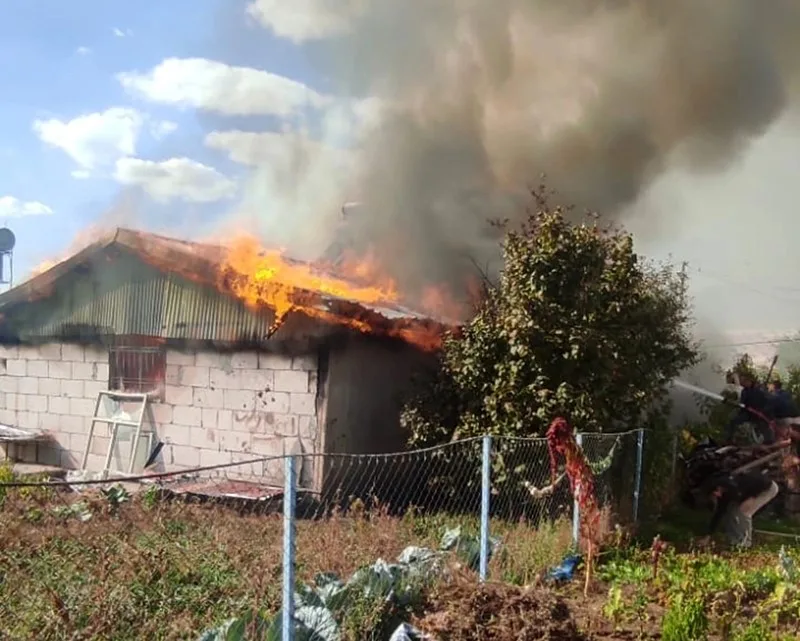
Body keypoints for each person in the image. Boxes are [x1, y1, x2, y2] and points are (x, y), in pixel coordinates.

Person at [704, 471, 779, 548]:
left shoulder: (734, 485)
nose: (717, 495)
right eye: (714, 494)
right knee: (731, 511)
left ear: (719, 486)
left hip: (766, 488)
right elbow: (719, 513)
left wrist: (753, 496)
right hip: (750, 491)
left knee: (744, 511)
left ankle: (745, 544)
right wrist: (708, 536)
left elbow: (758, 483)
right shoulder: (724, 494)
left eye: (716, 491)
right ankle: (734, 540)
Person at [726, 373, 775, 444]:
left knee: (764, 428)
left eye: (746, 381)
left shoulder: (759, 392)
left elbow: (768, 403)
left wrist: (763, 412)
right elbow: (742, 404)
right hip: (748, 414)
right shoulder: (744, 391)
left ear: (750, 381)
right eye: (743, 380)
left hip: (759, 415)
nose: (744, 382)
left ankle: (769, 443)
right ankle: (729, 440)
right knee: (733, 421)